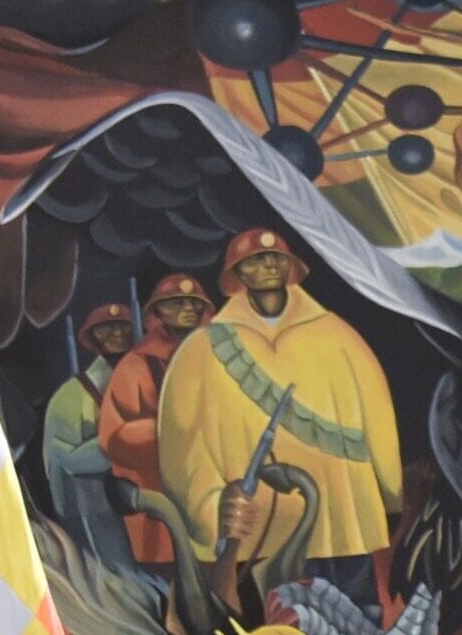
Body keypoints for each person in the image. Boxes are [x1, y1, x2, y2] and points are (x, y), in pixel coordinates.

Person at [157, 228, 402, 610]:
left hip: (340, 521)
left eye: (275, 258)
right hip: (258, 534)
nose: (268, 265)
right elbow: (184, 445)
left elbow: (379, 421)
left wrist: (389, 495)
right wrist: (211, 508)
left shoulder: (339, 336)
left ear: (291, 268)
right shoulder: (202, 350)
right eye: (255, 260)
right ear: (237, 275)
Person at [98, 274, 213, 575]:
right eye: (176, 303)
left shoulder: (219, 357)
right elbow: (114, 437)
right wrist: (175, 432)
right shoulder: (135, 365)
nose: (187, 308)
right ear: (158, 312)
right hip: (161, 496)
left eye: (193, 302)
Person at [42, 303, 137, 566]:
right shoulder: (71, 395)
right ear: (92, 336)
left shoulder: (137, 381)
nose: (117, 333)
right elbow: (68, 460)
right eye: (107, 327)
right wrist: (127, 440)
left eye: (123, 326)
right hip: (90, 511)